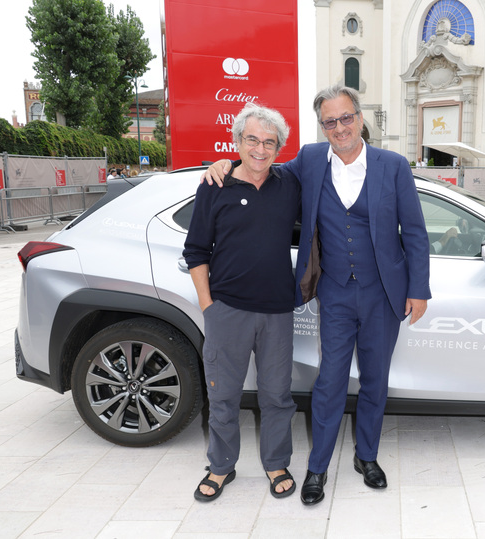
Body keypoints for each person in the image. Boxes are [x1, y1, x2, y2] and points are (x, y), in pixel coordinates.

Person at [203, 83, 431, 506]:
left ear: (360, 118)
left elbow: (415, 232)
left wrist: (419, 289)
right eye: (330, 121)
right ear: (322, 126)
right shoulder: (309, 160)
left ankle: (367, 457)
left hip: (385, 292)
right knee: (330, 381)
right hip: (335, 292)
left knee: (376, 380)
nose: (340, 127)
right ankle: (318, 467)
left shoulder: (393, 165)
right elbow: (261, 167)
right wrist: (225, 162)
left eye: (346, 118)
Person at [185, 103, 301, 502]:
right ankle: (220, 467)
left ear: (279, 148)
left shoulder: (289, 185)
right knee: (223, 396)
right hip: (227, 311)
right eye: (252, 139)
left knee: (276, 396)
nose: (260, 148)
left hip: (277, 313)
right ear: (237, 141)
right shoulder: (214, 186)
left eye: (270, 142)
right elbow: (196, 250)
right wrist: (209, 308)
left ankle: (275, 462)